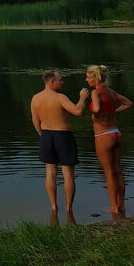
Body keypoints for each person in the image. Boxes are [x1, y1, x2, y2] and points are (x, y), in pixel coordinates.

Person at [30, 70, 90, 213]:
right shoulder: (60, 97)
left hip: (46, 135)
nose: (63, 82)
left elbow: (35, 121)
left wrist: (42, 135)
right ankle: (68, 208)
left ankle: (53, 206)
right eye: (60, 79)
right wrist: (82, 98)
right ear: (52, 82)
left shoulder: (35, 98)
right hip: (63, 135)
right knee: (68, 173)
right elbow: (77, 111)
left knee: (50, 172)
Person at [86, 64, 134, 216]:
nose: (86, 79)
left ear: (95, 78)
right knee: (118, 171)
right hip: (116, 132)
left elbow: (97, 108)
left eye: (88, 77)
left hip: (103, 135)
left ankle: (114, 207)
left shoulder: (95, 92)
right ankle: (121, 206)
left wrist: (95, 113)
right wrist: (114, 111)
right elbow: (128, 103)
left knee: (108, 173)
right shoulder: (110, 91)